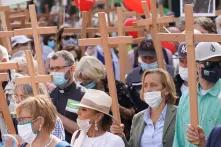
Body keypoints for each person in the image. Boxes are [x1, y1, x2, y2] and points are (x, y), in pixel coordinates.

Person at [111, 68, 177, 147]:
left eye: (153, 85)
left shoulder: (178, 114)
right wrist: (121, 136)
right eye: (145, 85)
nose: (148, 89)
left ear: (166, 90)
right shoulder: (138, 118)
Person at [74, 56, 135, 139]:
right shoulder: (82, 91)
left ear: (98, 75)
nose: (85, 85)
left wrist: (115, 107)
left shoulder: (116, 87)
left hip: (118, 135)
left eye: (88, 81)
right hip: (93, 137)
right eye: (83, 82)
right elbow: (77, 112)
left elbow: (132, 114)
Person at [173, 42, 221, 147]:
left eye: (219, 63)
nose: (216, 67)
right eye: (209, 63)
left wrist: (204, 143)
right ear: (196, 64)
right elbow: (179, 139)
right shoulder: (186, 97)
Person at [126, 39, 174, 112]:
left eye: (151, 58)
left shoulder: (171, 72)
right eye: (145, 58)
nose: (148, 61)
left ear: (158, 56)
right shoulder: (132, 76)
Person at [49, 50, 85, 142]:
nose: (54, 72)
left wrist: (55, 115)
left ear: (72, 68)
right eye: (52, 69)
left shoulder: (83, 95)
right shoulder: (51, 95)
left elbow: (83, 131)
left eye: (58, 68)